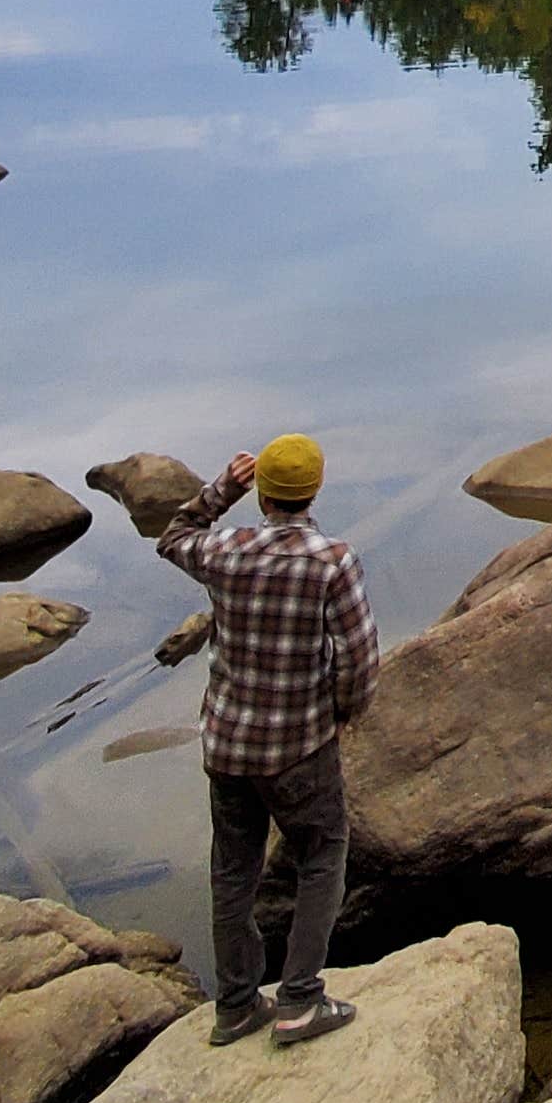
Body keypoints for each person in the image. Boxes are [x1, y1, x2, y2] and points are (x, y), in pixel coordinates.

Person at [158, 429, 379, 1047]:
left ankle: (234, 1005)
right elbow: (359, 658)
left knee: (233, 871)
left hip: (227, 744)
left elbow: (171, 538)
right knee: (321, 855)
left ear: (261, 493)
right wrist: (342, 714)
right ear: (314, 489)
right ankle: (301, 999)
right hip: (299, 746)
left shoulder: (224, 549)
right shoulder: (332, 560)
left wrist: (220, 489)